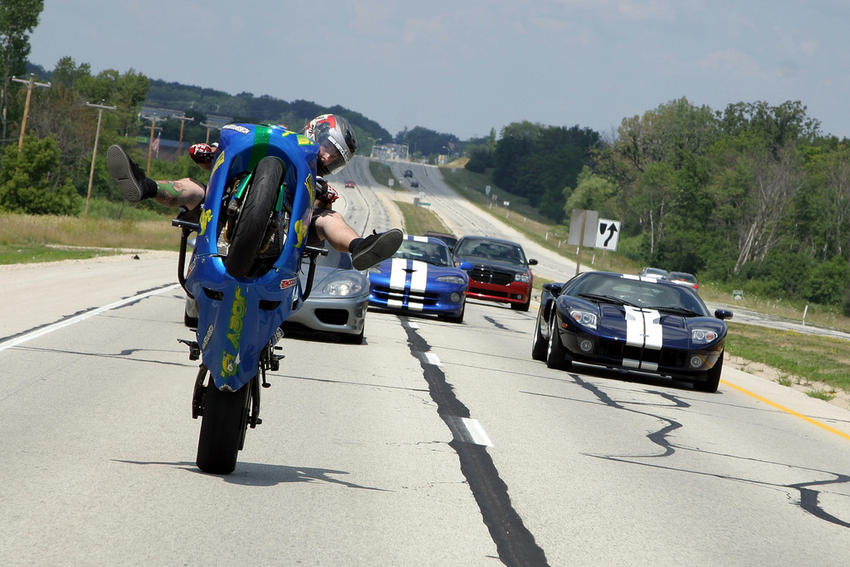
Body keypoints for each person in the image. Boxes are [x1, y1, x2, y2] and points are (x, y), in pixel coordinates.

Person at [106, 114, 401, 271]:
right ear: (316, 131)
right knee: (195, 189)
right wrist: (214, 151)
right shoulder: (281, 139)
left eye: (336, 159)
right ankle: (145, 186)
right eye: (328, 148)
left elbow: (321, 213)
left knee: (329, 218)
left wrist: (321, 197)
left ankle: (360, 247)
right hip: (224, 213)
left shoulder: (320, 183)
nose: (327, 158)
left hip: (286, 237)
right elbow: (221, 159)